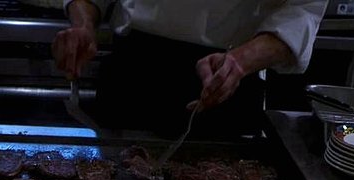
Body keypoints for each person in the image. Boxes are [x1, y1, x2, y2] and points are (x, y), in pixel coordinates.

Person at [52, 0, 327, 137]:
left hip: (223, 76)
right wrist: (83, 25)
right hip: (133, 73)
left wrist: (241, 60)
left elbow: (302, 9)